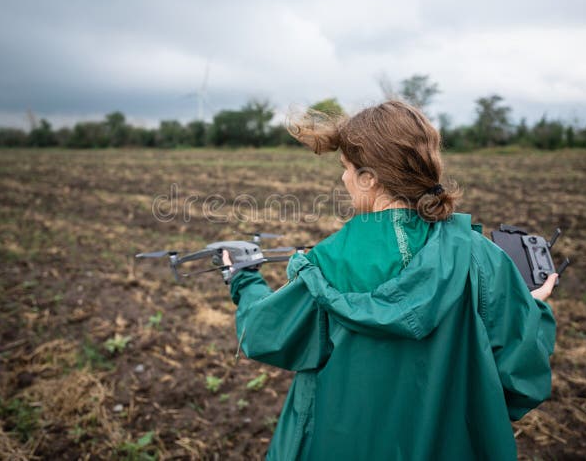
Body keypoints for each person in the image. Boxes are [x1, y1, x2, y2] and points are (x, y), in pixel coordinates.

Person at [222, 100, 557, 460]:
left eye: (346, 168)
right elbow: (522, 381)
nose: (343, 179)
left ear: (370, 178)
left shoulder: (331, 260)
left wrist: (242, 278)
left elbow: (262, 333)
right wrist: (532, 307)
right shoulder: (484, 258)